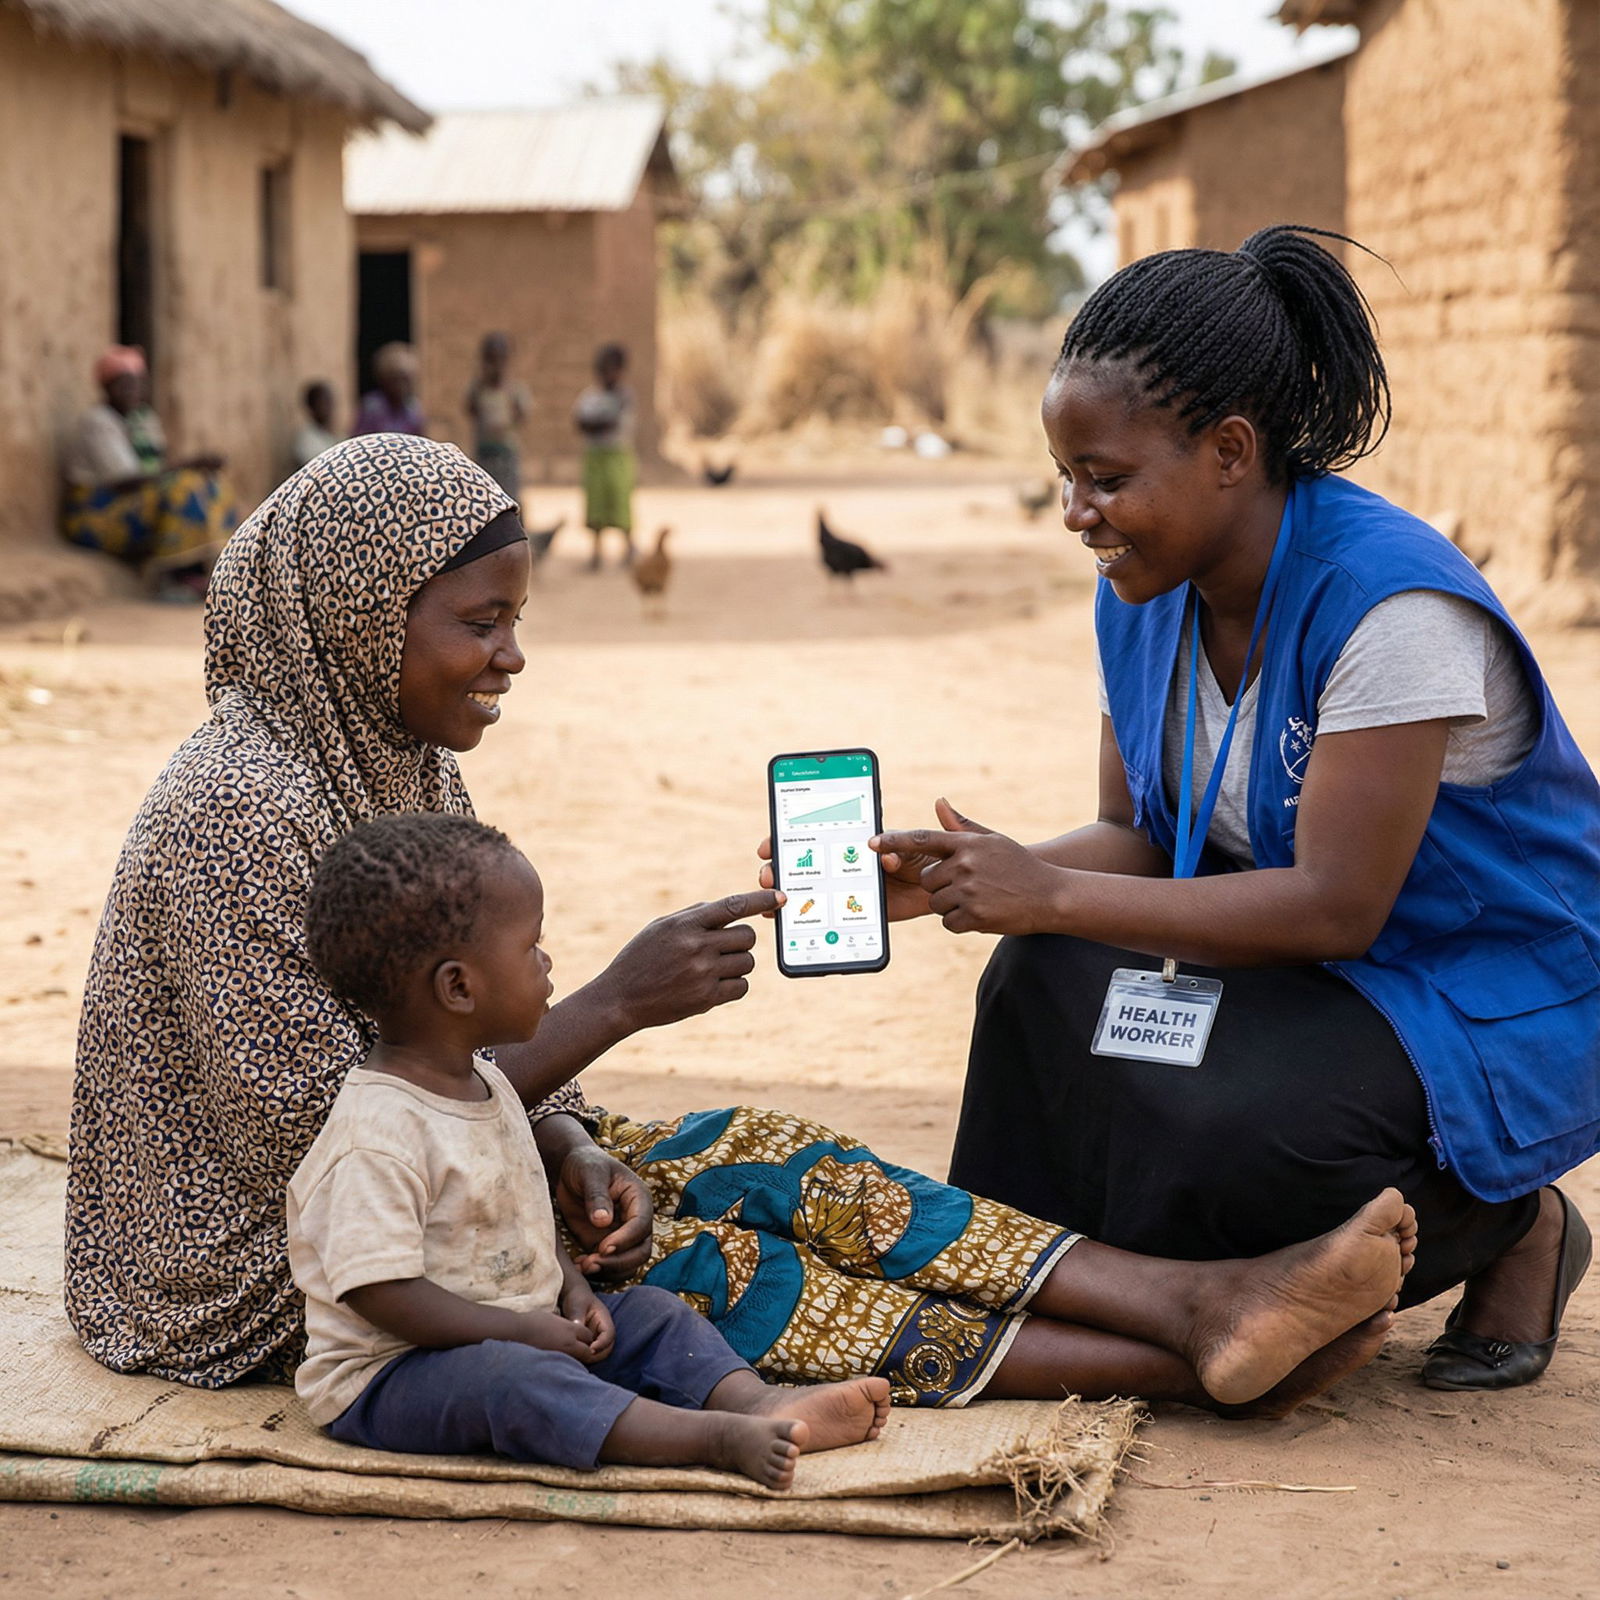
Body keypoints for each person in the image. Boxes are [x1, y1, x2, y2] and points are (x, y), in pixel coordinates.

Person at [67, 432, 1413, 1424]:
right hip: (286, 1271)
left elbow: (443, 1046)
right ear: (360, 620)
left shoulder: (390, 760)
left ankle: (1201, 1302)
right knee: (717, 1267)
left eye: (514, 621)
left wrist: (576, 1144)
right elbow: (330, 1155)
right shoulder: (237, 813)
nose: (510, 658)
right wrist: (615, 1006)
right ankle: (1187, 1355)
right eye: (481, 624)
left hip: (438, 1177)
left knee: (767, 1154)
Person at [855, 225, 1597, 1394]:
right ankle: (1072, 1287)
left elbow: (1336, 905)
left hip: (1466, 986)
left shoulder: (1387, 605)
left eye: (1105, 479)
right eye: (1065, 478)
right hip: (1311, 979)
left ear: (1230, 451)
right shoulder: (1144, 591)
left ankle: (1510, 1219)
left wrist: (1048, 894)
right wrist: (965, 876)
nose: (1075, 512)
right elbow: (1143, 840)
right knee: (1039, 984)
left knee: (1249, 1136)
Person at [291, 812, 890, 1485]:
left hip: (523, 1332)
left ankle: (757, 1402)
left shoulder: (487, 1083)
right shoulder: (378, 1130)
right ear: (458, 987)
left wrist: (571, 1290)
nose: (548, 963)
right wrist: (522, 1332)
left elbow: (516, 1218)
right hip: (393, 1373)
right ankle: (710, 1438)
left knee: (651, 1315)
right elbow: (380, 1291)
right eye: (531, 948)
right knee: (518, 1381)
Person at [61, 346, 239, 600]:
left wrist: (194, 468)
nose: (132, 391)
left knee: (210, 484)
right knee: (183, 488)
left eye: (136, 384)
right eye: (124, 385)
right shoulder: (98, 421)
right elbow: (125, 481)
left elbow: (156, 469)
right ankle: (174, 575)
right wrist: (187, 464)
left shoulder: (143, 419)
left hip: (130, 503)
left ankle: (206, 569)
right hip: (95, 514)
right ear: (107, 388)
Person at [573, 342, 635, 569]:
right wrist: (599, 424)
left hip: (617, 456)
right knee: (596, 503)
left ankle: (628, 547)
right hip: (595, 457)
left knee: (619, 500)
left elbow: (604, 423)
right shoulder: (590, 397)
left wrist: (596, 424)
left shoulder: (624, 396)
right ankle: (596, 552)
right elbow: (582, 423)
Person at [464, 332, 531, 501]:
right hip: (484, 451)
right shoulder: (477, 389)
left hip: (506, 451)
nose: (496, 365)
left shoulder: (514, 389)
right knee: (484, 494)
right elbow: (470, 409)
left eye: (500, 360)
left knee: (509, 493)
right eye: (491, 360)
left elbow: (521, 415)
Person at [353, 343, 425, 437]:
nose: (402, 386)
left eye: (407, 380)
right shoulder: (372, 408)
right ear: (384, 379)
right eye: (397, 379)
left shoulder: (413, 409)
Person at [291, 380, 340, 470]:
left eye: (329, 402)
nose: (328, 407)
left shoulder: (335, 435)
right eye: (323, 403)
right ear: (311, 407)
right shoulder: (306, 440)